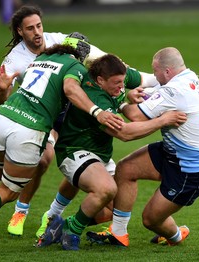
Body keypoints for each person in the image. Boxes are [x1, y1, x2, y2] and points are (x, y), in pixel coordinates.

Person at [0, 39, 124, 250]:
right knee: (8, 191)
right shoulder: (75, 67)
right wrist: (97, 112)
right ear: (82, 55)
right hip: (27, 129)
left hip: (3, 117)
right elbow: (71, 89)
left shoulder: (42, 58)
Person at [37, 54, 187, 250]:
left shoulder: (116, 75)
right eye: (116, 83)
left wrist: (188, 85)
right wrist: (162, 120)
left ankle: (62, 225)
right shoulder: (94, 97)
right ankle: (71, 232)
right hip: (74, 152)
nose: (121, 86)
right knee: (106, 189)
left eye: (123, 82)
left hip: (100, 156)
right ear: (100, 80)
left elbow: (152, 78)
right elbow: (124, 133)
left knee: (111, 210)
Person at [0, 5, 108, 237]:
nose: (37, 32)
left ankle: (53, 214)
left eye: (39, 26)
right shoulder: (15, 58)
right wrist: (2, 91)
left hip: (71, 114)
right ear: (20, 32)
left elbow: (99, 58)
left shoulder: (57, 40)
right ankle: (21, 210)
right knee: (43, 161)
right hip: (40, 116)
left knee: (78, 167)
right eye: (30, 28)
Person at [86, 47, 199, 247]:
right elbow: (157, 93)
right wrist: (137, 94)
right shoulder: (189, 77)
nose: (153, 75)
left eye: (155, 71)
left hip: (190, 169)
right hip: (172, 152)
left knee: (151, 220)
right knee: (126, 169)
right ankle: (118, 234)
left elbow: (136, 116)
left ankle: (176, 236)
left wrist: (119, 102)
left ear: (167, 71)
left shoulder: (174, 90)